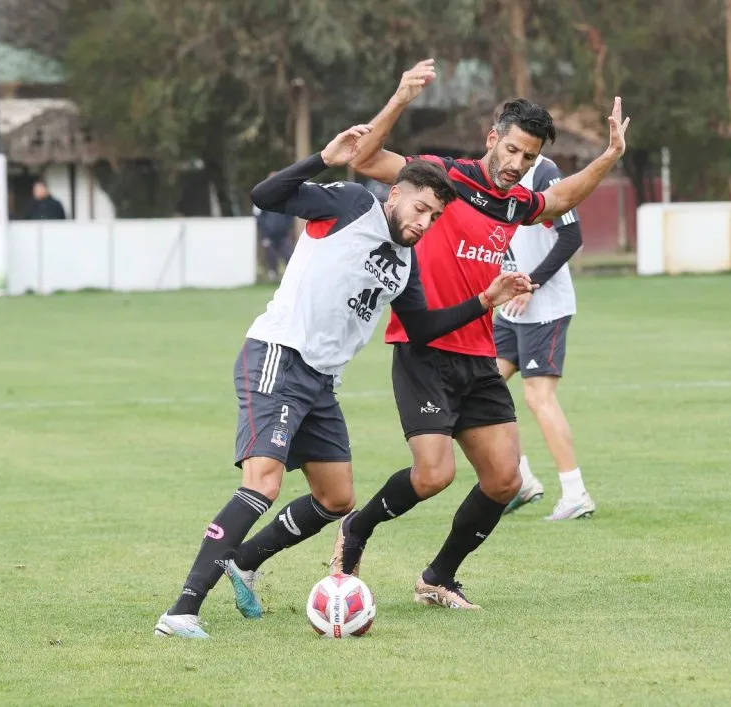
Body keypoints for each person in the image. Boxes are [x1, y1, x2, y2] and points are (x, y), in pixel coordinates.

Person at [154, 123, 535, 638]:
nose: (426, 223)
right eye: (420, 209)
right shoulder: (353, 204)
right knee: (263, 482)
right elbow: (266, 195)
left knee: (336, 499)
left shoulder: (403, 264)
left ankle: (244, 561)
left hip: (321, 382)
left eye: (436, 216)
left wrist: (485, 301)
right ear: (395, 195)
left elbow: (422, 327)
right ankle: (181, 611)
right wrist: (321, 158)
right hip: (279, 354)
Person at [329, 60, 629, 609]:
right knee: (433, 475)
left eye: (530, 157)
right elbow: (366, 158)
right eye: (512, 150)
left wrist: (609, 156)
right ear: (493, 138)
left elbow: (560, 200)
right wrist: (400, 97)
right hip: (424, 349)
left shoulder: (517, 203)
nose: (518, 164)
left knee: (503, 479)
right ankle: (358, 527)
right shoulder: (446, 178)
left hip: (479, 355)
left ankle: (439, 577)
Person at [495, 141, 595, 521]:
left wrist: (531, 283)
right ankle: (519, 479)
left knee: (539, 397)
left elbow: (572, 237)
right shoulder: (494, 176)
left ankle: (575, 493)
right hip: (512, 308)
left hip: (544, 308)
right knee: (480, 386)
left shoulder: (544, 174)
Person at [252, 173, 296, 280]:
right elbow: (257, 216)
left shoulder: (285, 196)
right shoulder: (262, 196)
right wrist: (264, 233)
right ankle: (273, 276)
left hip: (283, 234)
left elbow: (290, 214)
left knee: (289, 256)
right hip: (268, 235)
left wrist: (287, 227)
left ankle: (291, 277)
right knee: (271, 257)